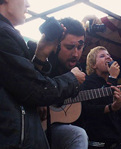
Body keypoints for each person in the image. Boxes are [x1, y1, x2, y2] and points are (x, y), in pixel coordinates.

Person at [0, 0, 85, 148]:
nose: (28, 4)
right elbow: (34, 91)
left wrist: (41, 54)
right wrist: (72, 79)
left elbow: (17, 86)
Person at [29, 17, 88, 149]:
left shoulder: (79, 72)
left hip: (53, 129)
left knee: (79, 134)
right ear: (56, 44)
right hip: (29, 129)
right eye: (70, 47)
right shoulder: (37, 58)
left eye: (80, 47)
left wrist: (111, 107)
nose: (76, 53)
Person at [81, 46, 121, 149]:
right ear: (93, 65)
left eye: (109, 55)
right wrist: (112, 78)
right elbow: (100, 104)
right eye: (102, 56)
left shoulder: (114, 81)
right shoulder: (87, 82)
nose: (108, 58)